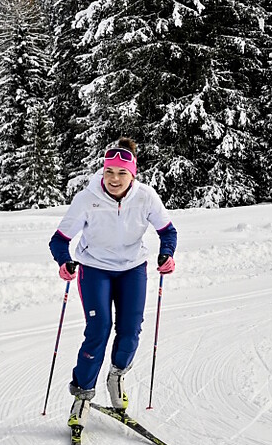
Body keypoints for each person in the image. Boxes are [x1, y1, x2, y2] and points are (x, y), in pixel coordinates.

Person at [48, 139, 176, 425]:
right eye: (109, 172)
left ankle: (116, 376)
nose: (114, 179)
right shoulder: (87, 198)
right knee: (99, 328)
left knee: (130, 330)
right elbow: (59, 240)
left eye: (121, 173)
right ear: (102, 172)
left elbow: (168, 232)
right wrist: (63, 262)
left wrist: (167, 254)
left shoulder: (146, 197)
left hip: (133, 268)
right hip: (95, 269)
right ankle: (82, 397)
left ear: (133, 174)